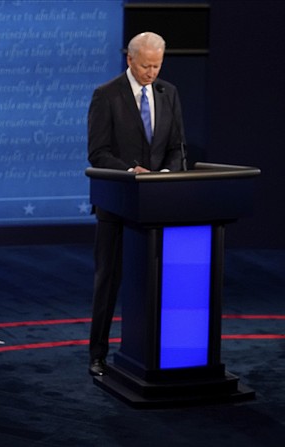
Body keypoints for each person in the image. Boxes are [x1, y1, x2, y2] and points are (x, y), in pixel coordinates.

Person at [86, 32, 186, 376]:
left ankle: (155, 354)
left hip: (158, 206)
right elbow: (98, 153)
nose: (151, 72)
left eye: (157, 65)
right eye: (146, 65)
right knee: (108, 280)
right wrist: (132, 172)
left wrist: (167, 175)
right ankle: (97, 354)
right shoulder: (106, 95)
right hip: (117, 204)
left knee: (157, 282)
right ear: (130, 60)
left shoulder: (168, 93)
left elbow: (176, 148)